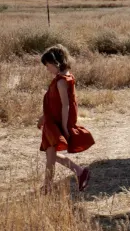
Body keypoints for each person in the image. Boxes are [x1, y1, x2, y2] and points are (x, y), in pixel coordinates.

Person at [37, 45, 94, 194]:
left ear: (56, 63)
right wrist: (44, 117)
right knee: (51, 154)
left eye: (48, 65)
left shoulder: (62, 81)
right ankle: (80, 172)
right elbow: (53, 102)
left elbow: (65, 106)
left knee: (50, 154)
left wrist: (64, 128)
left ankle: (48, 187)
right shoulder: (63, 78)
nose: (47, 69)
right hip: (52, 121)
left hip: (57, 123)